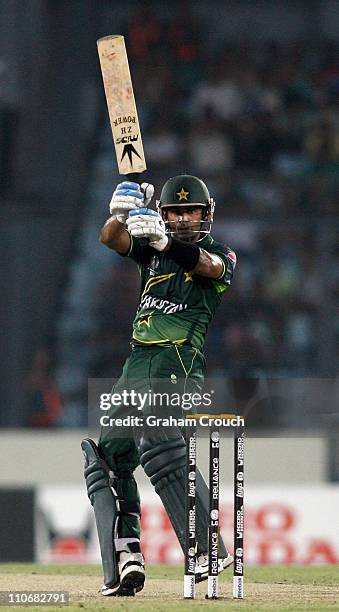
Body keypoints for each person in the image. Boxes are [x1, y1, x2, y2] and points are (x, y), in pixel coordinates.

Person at [81, 175, 237, 596]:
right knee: (108, 457)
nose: (185, 219)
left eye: (193, 211)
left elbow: (208, 267)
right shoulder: (149, 253)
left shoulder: (222, 253)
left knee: (159, 441)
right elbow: (109, 239)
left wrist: (168, 245)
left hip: (179, 359)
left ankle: (206, 548)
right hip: (138, 360)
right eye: (176, 212)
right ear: (164, 215)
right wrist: (119, 216)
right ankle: (127, 556)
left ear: (207, 215)